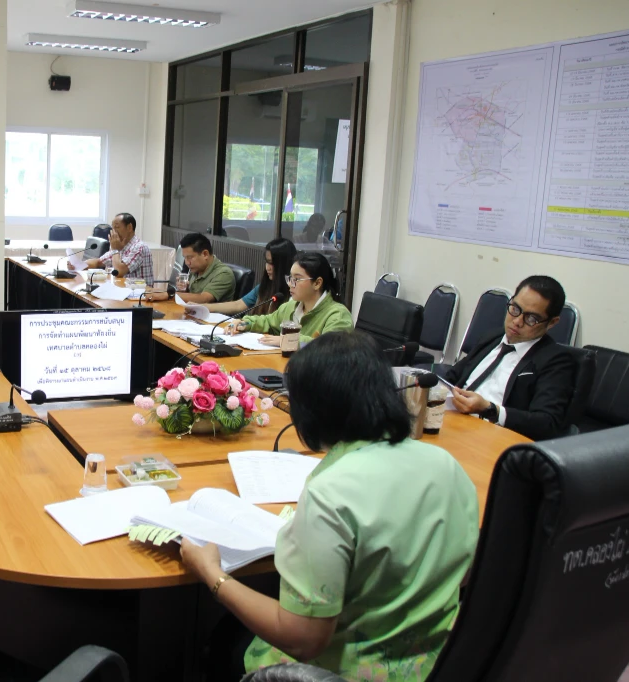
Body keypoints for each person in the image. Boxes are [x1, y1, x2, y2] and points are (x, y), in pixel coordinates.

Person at [180, 331, 479, 681]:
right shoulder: (446, 464)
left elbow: (304, 641)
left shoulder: (330, 493)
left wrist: (212, 575)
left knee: (224, 639)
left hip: (347, 671)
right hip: (438, 664)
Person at [445, 275, 576, 441]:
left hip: (492, 437)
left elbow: (547, 422)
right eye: (515, 309)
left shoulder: (556, 361)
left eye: (531, 318)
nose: (517, 322)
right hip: (453, 422)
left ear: (551, 323)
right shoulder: (492, 338)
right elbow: (452, 377)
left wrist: (490, 409)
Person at [226, 252, 352, 347]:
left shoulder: (338, 315)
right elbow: (268, 321)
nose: (290, 284)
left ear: (317, 283)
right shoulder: (292, 306)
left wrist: (288, 340)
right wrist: (244, 323)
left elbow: (329, 348)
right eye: (290, 278)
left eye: (297, 279)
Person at [188, 238, 297, 317]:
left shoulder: (295, 293)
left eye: (272, 263)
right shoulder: (264, 287)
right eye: (267, 262)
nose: (268, 268)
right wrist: (202, 307)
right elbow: (238, 305)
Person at [84, 212, 154, 280]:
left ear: (129, 227)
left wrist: (114, 250)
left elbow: (119, 271)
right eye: (112, 228)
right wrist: (78, 266)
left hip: (139, 290)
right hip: (123, 289)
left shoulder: (139, 247)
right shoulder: (120, 246)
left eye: (117, 227)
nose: (113, 231)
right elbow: (98, 262)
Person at [178, 233, 236, 304]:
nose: (187, 262)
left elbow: (204, 299)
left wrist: (171, 295)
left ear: (205, 254)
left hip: (211, 314)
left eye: (189, 258)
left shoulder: (224, 273)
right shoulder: (195, 269)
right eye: (185, 258)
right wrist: (183, 289)